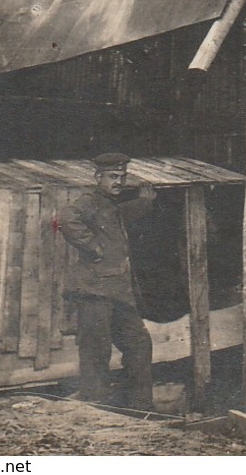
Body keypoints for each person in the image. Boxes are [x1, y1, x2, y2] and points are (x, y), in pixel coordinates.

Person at [62, 152, 156, 408]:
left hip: (118, 293)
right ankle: (95, 406)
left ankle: (139, 407)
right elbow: (66, 219)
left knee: (139, 343)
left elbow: (121, 216)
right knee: (96, 351)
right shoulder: (89, 202)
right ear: (98, 177)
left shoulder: (111, 206)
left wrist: (145, 202)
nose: (119, 182)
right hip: (94, 292)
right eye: (113, 177)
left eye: (122, 177)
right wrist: (94, 247)